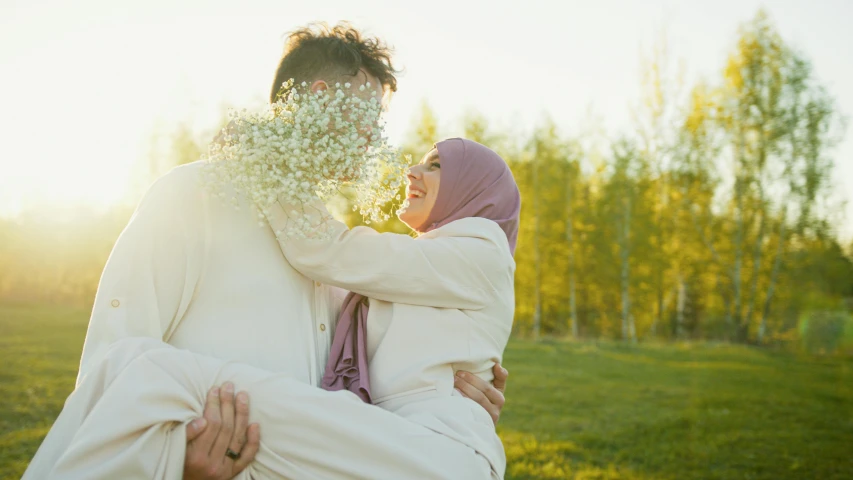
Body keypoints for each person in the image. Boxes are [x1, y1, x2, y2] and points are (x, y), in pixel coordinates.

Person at [24, 23, 507, 479]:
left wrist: (461, 390)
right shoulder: (193, 196)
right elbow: (112, 365)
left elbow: (366, 386)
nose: (374, 140)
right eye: (370, 117)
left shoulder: (336, 256)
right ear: (319, 99)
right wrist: (179, 461)